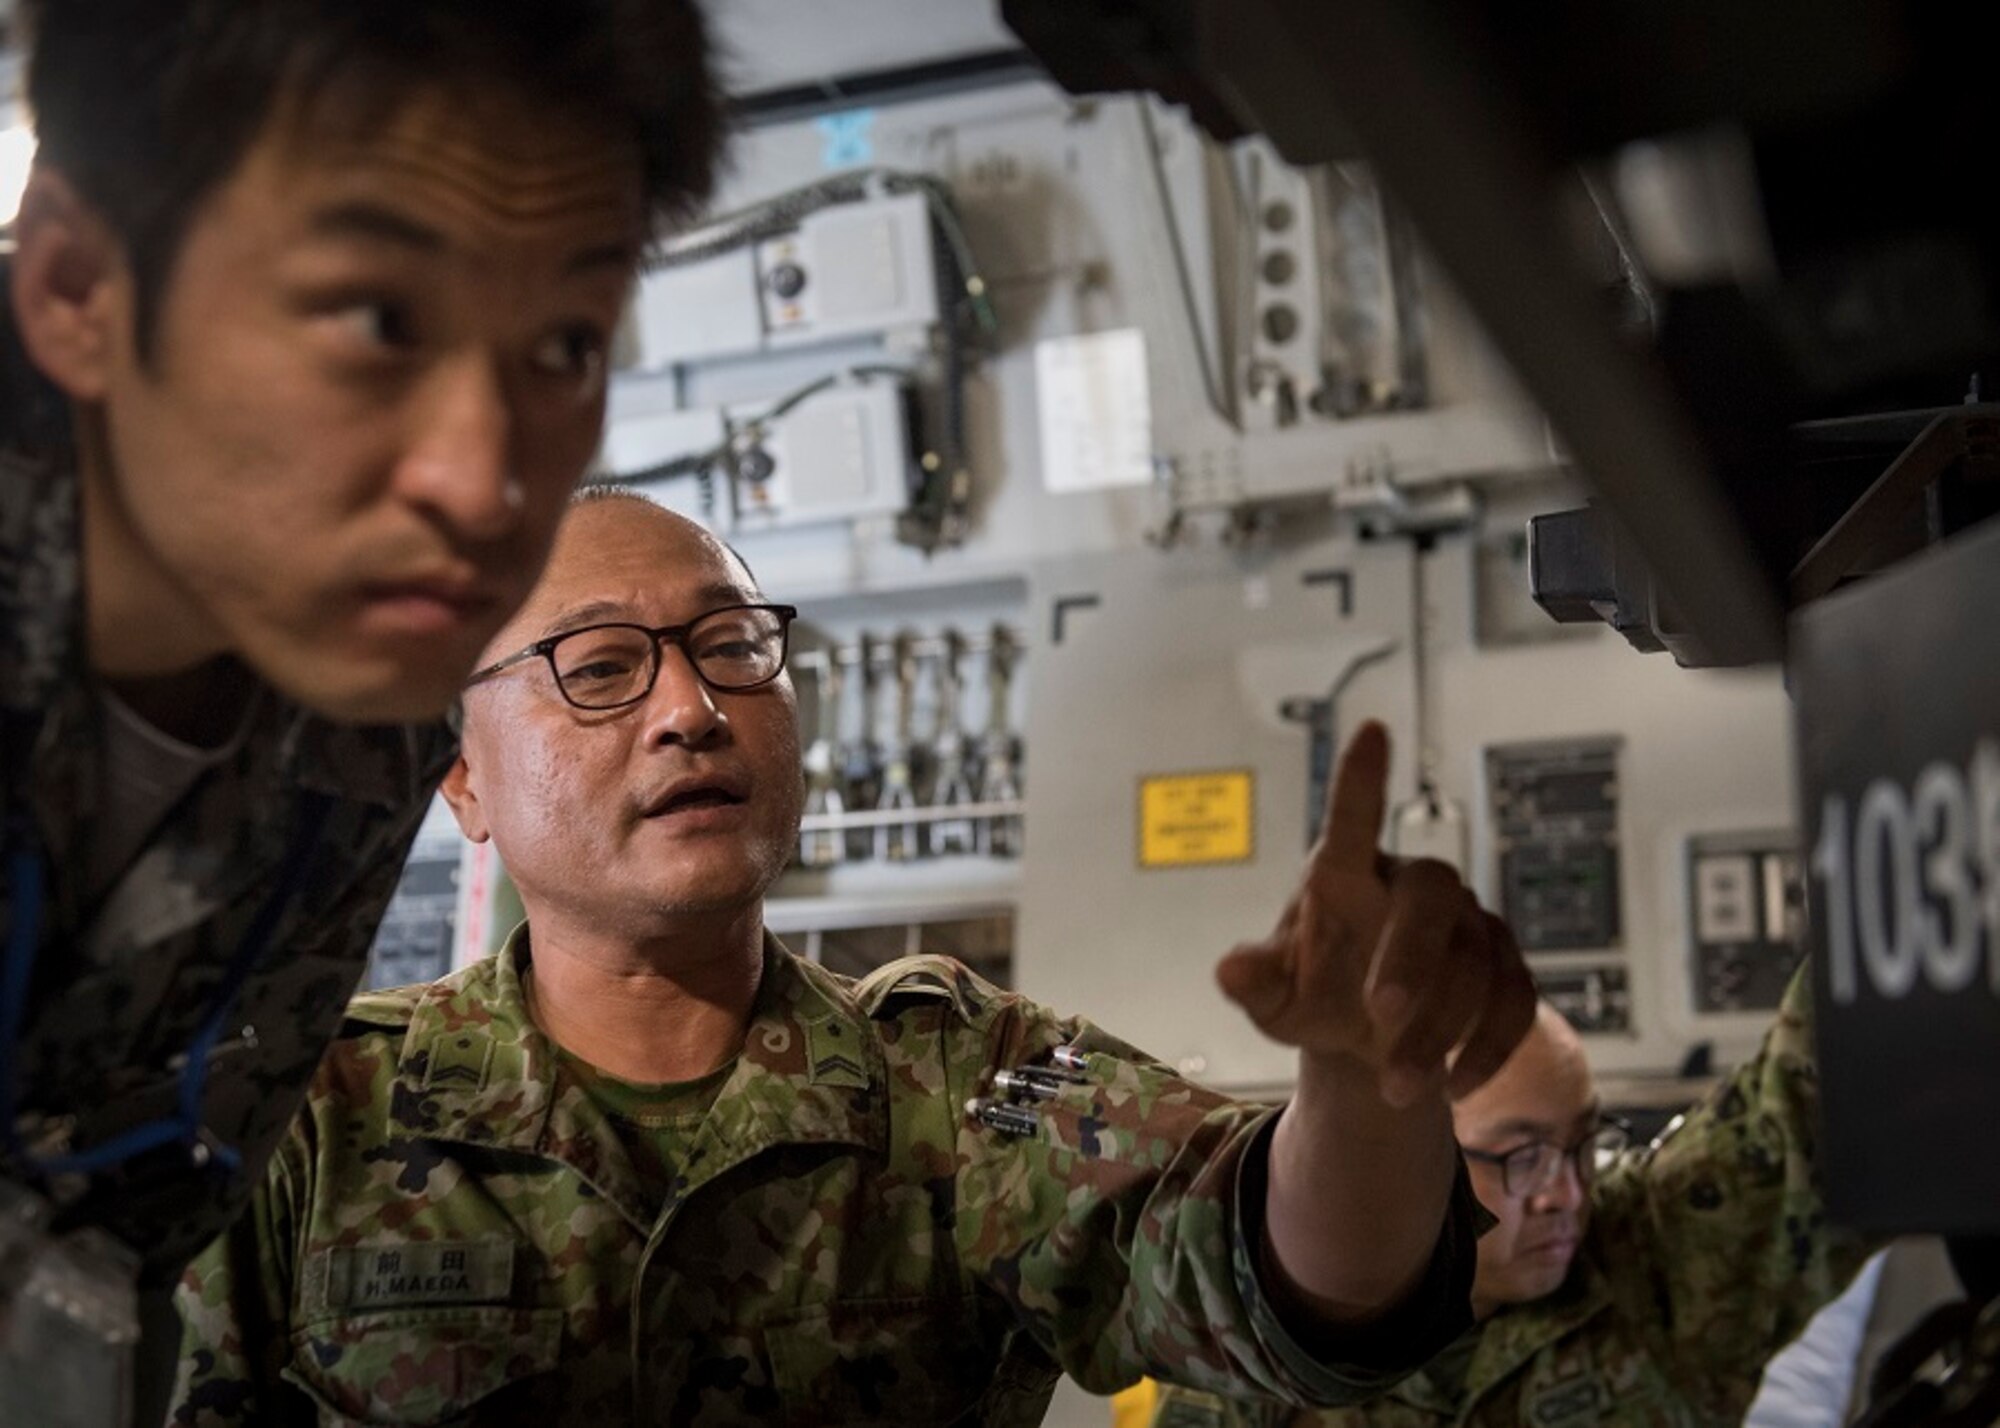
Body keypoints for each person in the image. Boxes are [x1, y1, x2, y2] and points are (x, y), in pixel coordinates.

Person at [170, 488, 1538, 1425]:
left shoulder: (960, 1081)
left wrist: (1359, 1081)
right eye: (601, 668)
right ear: (461, 778)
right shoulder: (311, 1123)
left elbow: (1298, 1284)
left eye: (733, 648)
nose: (694, 710)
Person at [0, 2, 723, 1418]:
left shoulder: (366, 723)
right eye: (379, 320)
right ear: (80, 284)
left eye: (564, 345)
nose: (487, 479)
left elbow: (125, 1224)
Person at [1148, 974, 1878, 1427]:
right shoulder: (1264, 1334)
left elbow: (1816, 1094)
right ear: (1399, 1163)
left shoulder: (1653, 1259)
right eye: (1521, 1156)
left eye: (1585, 1142)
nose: (1565, 1194)